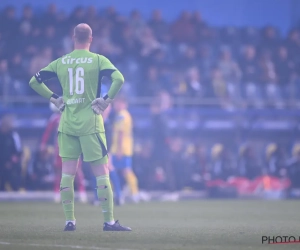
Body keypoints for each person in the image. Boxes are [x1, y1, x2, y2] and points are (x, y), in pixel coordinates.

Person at [29, 23, 131, 231]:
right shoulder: (97, 60)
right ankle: (108, 221)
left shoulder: (61, 62)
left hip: (67, 124)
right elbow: (119, 78)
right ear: (91, 39)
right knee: (101, 172)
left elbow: (34, 81)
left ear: (73, 38)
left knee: (68, 173)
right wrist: (106, 100)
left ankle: (69, 221)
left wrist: (55, 98)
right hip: (90, 123)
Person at [40, 103, 87, 203]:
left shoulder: (73, 117)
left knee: (77, 170)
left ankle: (82, 193)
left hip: (73, 146)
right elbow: (47, 132)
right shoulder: (55, 119)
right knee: (58, 171)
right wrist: (43, 143)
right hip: (60, 147)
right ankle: (57, 193)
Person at [110, 96, 139, 204]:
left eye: (118, 103)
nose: (116, 105)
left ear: (123, 104)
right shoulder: (121, 115)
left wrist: (119, 149)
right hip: (122, 148)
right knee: (119, 171)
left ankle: (134, 193)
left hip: (121, 148)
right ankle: (122, 193)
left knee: (125, 170)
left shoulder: (122, 115)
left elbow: (121, 133)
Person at [0, 114, 22, 191]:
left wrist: (10, 162)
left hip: (11, 164)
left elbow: (18, 152)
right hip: (1, 163)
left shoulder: (13, 136)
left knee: (14, 179)